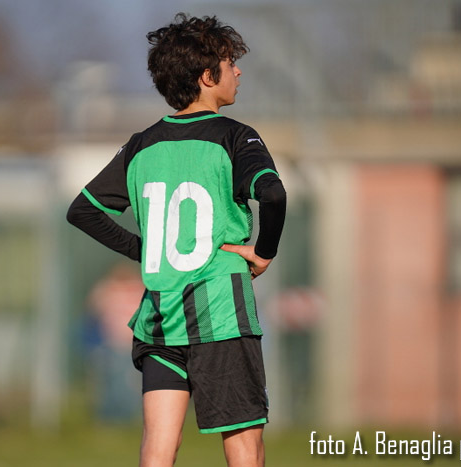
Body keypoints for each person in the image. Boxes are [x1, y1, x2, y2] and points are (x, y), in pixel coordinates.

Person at [67, 13, 286, 467]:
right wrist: (264, 252)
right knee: (244, 446)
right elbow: (273, 194)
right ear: (208, 77)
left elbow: (82, 211)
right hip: (220, 316)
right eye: (229, 63)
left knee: (158, 447)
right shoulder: (235, 137)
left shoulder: (141, 145)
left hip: (160, 318)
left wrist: (143, 249)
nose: (238, 71)